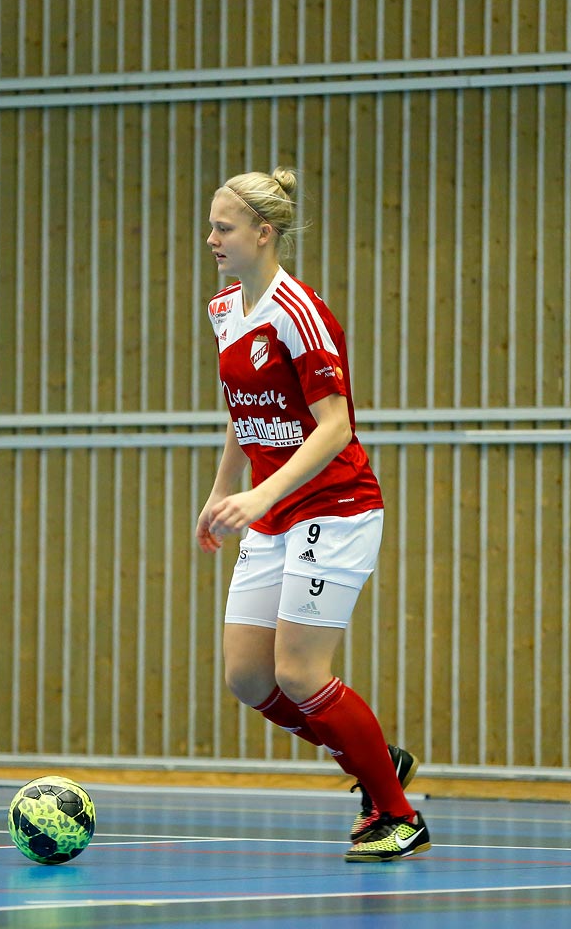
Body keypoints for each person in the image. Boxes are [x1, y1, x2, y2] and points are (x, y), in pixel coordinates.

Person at [196, 167, 428, 862]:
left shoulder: (301, 314)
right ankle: (374, 758)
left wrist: (266, 495)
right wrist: (221, 490)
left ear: (264, 234)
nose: (211, 238)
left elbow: (334, 425)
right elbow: (245, 412)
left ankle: (398, 813)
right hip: (272, 513)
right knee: (248, 676)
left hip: (335, 505)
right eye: (211, 225)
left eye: (224, 227)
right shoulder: (223, 310)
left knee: (299, 672)